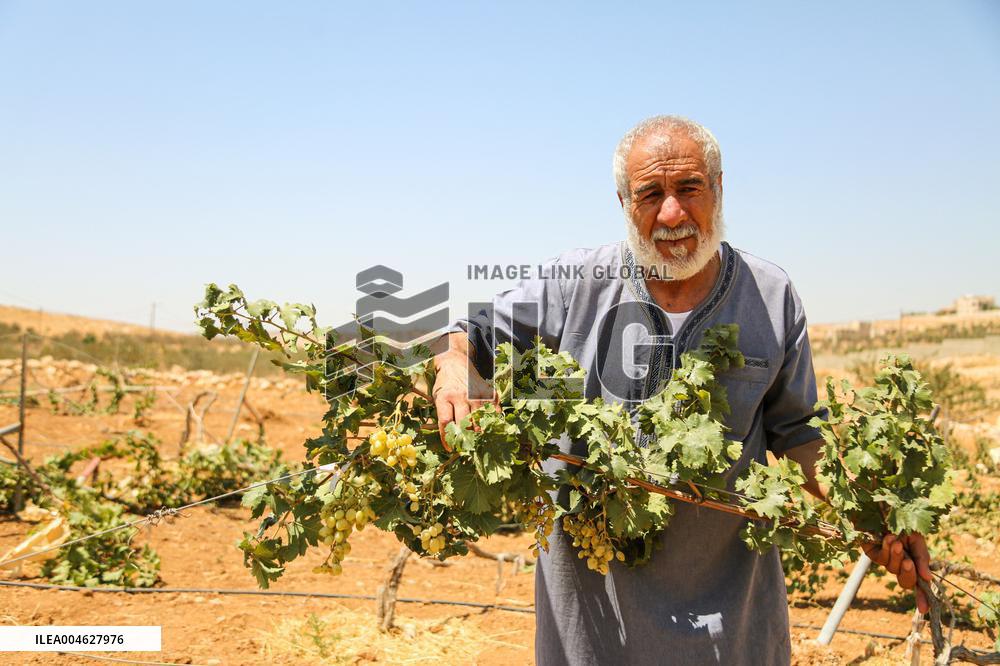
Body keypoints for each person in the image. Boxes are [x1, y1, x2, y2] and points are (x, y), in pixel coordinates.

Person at [432, 115, 931, 665]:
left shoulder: (770, 296)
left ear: (718, 190)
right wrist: (454, 364)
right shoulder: (574, 283)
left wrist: (869, 514)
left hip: (732, 629)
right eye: (650, 194)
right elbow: (470, 335)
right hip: (595, 628)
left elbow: (796, 432)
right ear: (624, 203)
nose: (672, 213)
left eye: (689, 188)